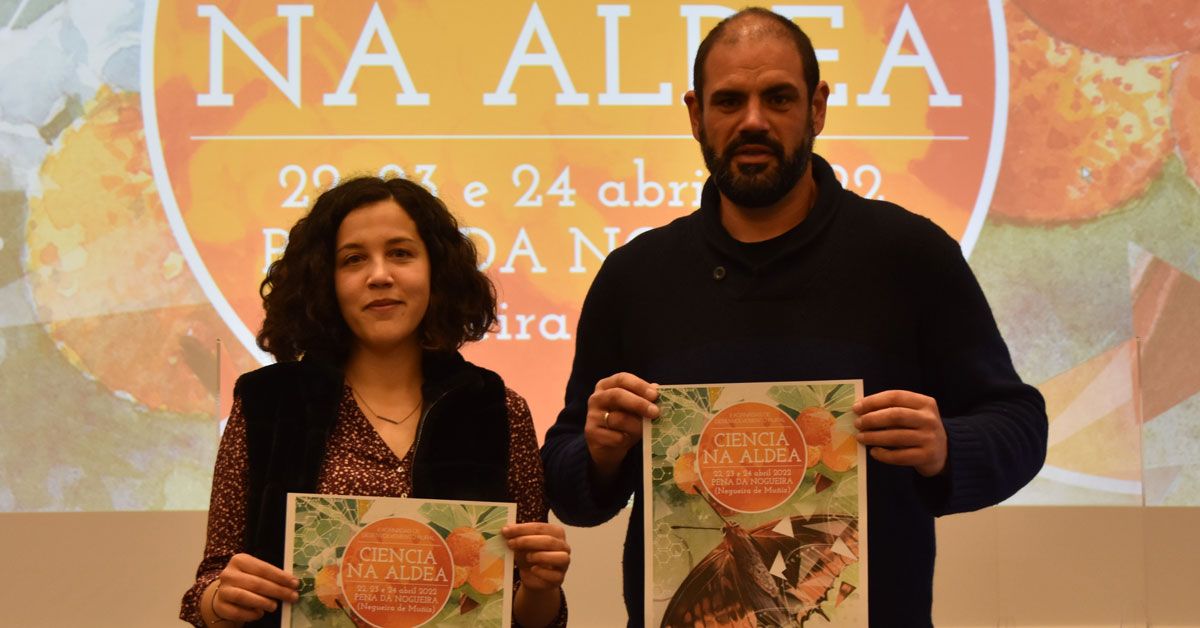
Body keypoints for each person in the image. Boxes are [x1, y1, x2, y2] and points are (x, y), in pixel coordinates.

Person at [541, 7, 1047, 627]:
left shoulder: (910, 255)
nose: (753, 121)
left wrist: (948, 446)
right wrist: (599, 453)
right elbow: (570, 484)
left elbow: (1020, 425)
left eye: (778, 98)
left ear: (818, 107)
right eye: (730, 102)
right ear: (696, 114)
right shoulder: (634, 276)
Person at [180, 176, 570, 627]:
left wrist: (543, 586)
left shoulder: (497, 409)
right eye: (353, 259)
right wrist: (219, 601)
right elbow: (206, 589)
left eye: (401, 253)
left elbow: (528, 615)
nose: (380, 275)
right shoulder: (267, 402)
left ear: (437, 272)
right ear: (325, 281)